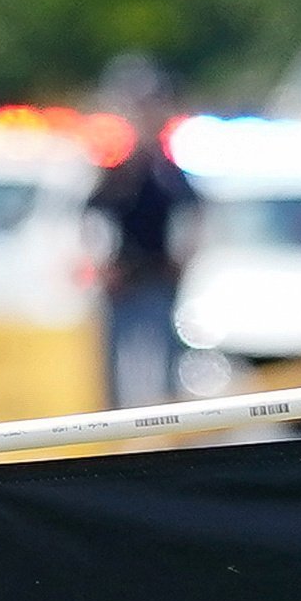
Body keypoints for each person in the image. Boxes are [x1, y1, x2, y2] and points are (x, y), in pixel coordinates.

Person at [88, 57, 199, 406]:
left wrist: (183, 259)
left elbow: (193, 214)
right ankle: (112, 425)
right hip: (125, 278)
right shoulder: (120, 170)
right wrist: (103, 266)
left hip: (158, 274)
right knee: (113, 362)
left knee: (167, 356)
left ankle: (169, 425)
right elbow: (92, 217)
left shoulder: (169, 171)